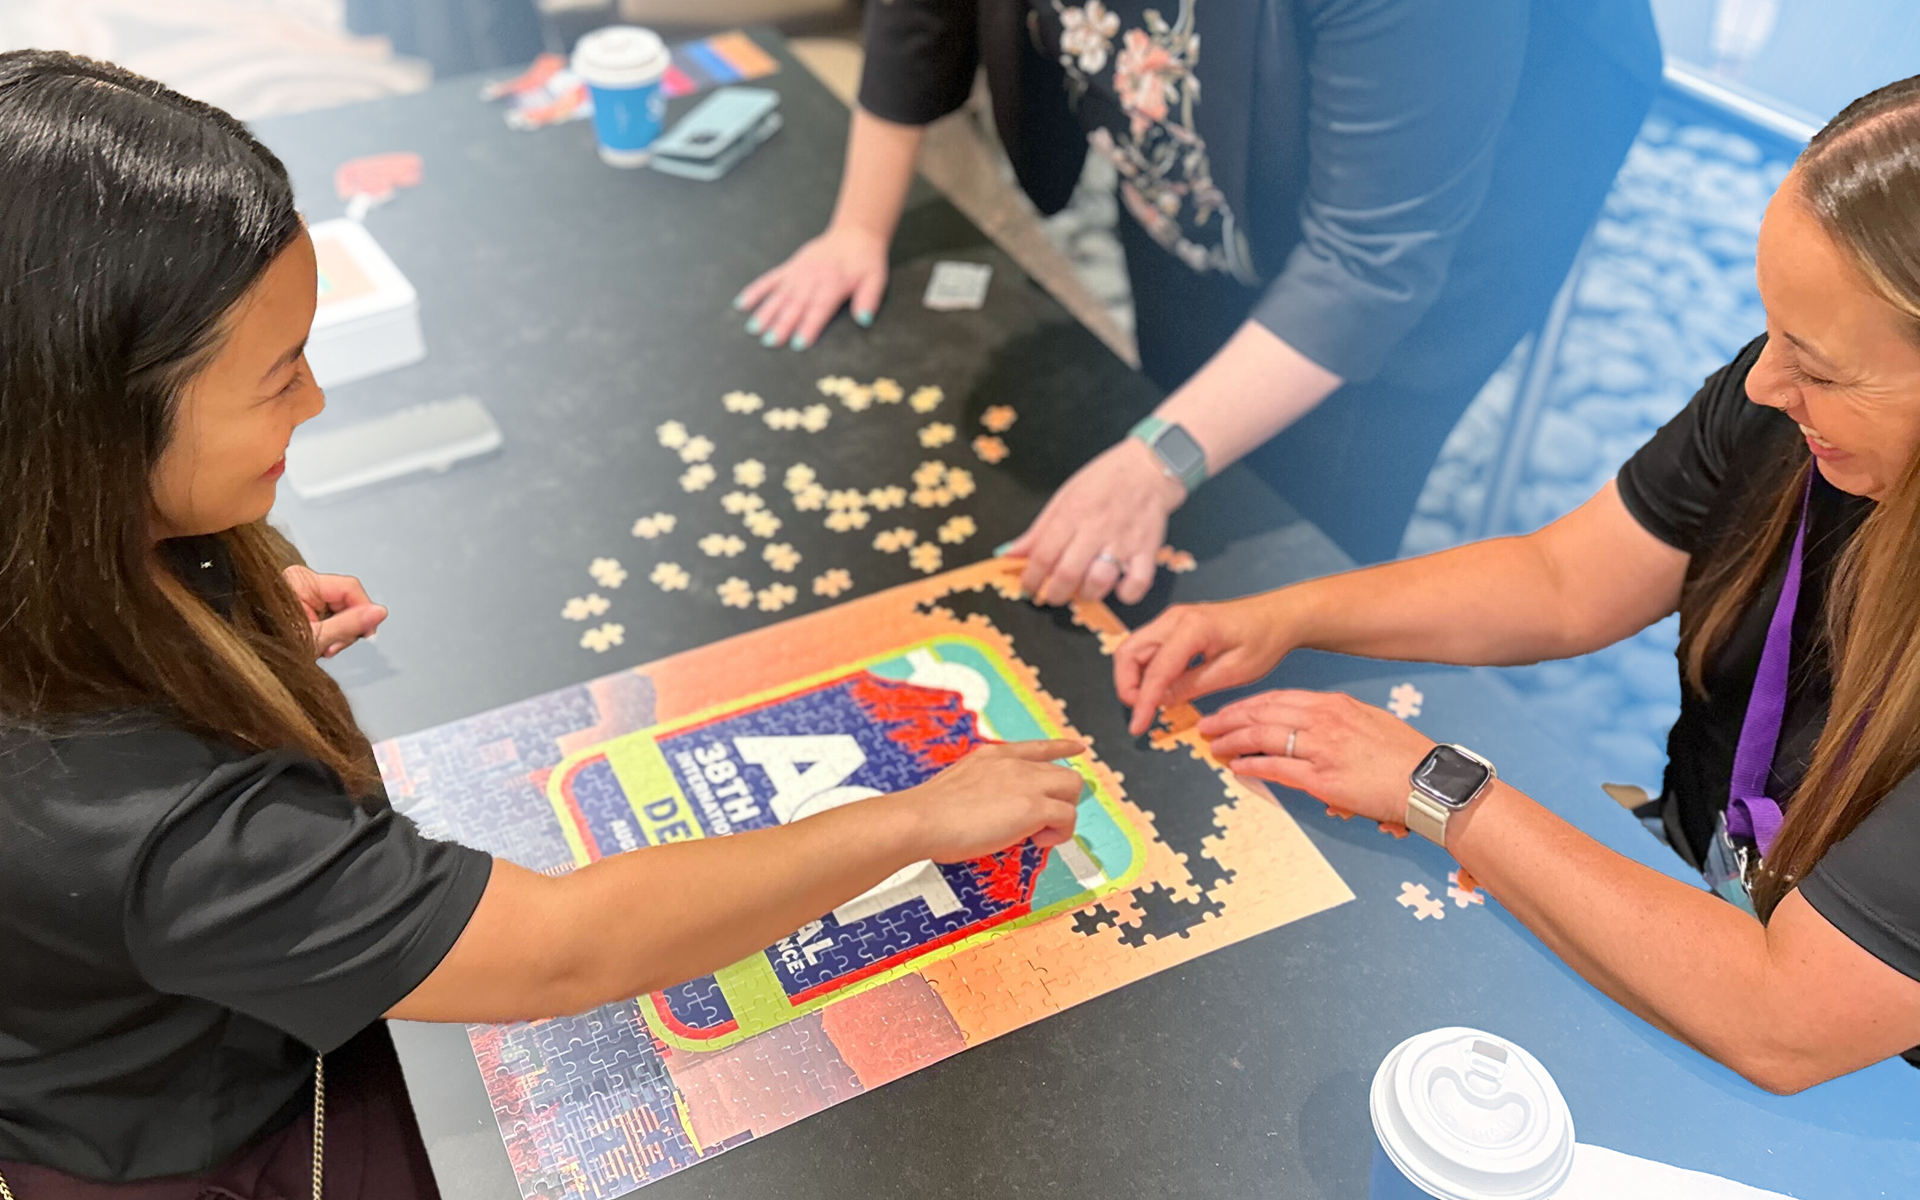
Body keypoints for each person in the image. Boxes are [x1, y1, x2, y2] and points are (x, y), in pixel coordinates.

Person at [0, 51, 1086, 1197]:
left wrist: (211, 630)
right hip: (220, 1132)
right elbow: (570, 948)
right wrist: (915, 817)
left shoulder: (51, 527)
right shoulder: (163, 829)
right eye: (279, 376)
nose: (316, 399)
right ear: (93, 437)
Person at [1115, 75, 1920, 1091]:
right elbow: (1565, 579)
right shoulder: (1784, 409)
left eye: (1819, 364)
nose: (1763, 385)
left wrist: (1440, 789)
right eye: (1773, 335)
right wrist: (1288, 613)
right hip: (1703, 884)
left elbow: (1784, 1021)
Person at [739, 0, 1662, 595]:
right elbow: (922, 11)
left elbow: (1373, 259)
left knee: (1310, 513)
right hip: (1213, 119)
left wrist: (1153, 464)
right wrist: (859, 226)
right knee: (1180, 375)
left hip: (1468, 172)